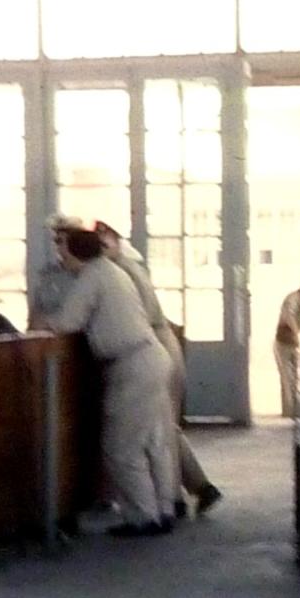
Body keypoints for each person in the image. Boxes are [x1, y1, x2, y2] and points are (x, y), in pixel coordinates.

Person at [46, 226, 179, 537]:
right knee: (153, 441)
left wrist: (45, 321)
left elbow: (68, 321)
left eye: (63, 250)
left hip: (131, 364)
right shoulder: (113, 271)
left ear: (76, 252)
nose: (61, 257)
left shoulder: (91, 277)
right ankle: (164, 509)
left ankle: (144, 517)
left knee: (121, 447)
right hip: (151, 356)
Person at [95, 221, 222, 517]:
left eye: (103, 239)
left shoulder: (121, 270)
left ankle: (174, 497)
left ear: (114, 239)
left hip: (154, 342)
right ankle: (196, 487)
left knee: (161, 428)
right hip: (161, 343)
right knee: (164, 425)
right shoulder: (128, 266)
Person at [28, 214, 85, 331]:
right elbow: (35, 315)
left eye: (63, 242)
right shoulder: (49, 276)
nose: (60, 248)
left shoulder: (91, 275)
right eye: (57, 241)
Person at [274, 278, 300, 418]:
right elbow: (289, 316)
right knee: (287, 377)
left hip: (291, 341)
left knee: (294, 377)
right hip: (284, 340)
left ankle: (293, 409)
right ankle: (290, 410)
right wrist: (296, 334)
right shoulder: (293, 298)